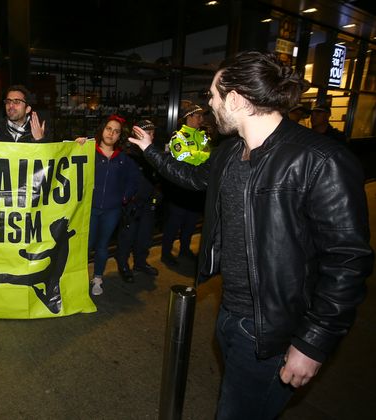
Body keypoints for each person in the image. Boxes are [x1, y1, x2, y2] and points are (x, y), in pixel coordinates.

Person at [128, 51, 373, 419]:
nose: (209, 103)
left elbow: (348, 261)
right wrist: (150, 151)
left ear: (238, 99)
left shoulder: (320, 160)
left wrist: (314, 342)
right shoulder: (229, 152)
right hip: (230, 314)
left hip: (276, 329)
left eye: (214, 94)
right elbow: (194, 179)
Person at [76, 115, 138, 295]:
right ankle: (79, 278)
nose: (111, 133)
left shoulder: (123, 159)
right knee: (86, 246)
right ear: (102, 130)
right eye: (109, 129)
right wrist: (76, 146)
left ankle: (97, 279)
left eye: (116, 131)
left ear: (120, 136)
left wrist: (124, 198)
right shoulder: (88, 151)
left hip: (112, 210)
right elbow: (70, 164)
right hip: (90, 208)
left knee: (103, 246)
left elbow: (134, 180)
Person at [161, 103, 210, 269]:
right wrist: (200, 156)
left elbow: (209, 156)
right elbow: (183, 157)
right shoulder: (178, 137)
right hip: (179, 190)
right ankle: (165, 254)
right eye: (198, 116)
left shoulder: (203, 136)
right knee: (173, 224)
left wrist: (196, 155)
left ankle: (184, 249)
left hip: (196, 190)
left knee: (191, 223)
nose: (201, 119)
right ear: (189, 117)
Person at [115, 119, 161, 282]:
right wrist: (126, 200)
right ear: (138, 134)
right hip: (131, 205)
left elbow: (158, 176)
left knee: (145, 236)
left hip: (148, 203)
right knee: (127, 237)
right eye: (148, 133)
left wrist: (157, 194)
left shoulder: (152, 152)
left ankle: (140, 263)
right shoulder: (126, 154)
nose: (152, 136)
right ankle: (123, 265)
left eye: (153, 133)